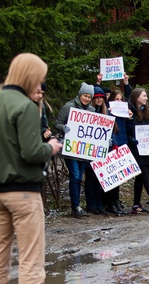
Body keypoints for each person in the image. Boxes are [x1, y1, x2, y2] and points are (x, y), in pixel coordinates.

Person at [0, 53, 69, 284]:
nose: (40, 82)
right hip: (24, 193)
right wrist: (52, 147)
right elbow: (32, 152)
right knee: (31, 261)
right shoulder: (27, 107)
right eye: (39, 76)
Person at [55, 82, 94, 217]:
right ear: (80, 95)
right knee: (76, 176)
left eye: (89, 97)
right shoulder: (69, 106)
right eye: (85, 96)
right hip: (71, 149)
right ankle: (75, 206)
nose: (87, 99)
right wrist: (63, 128)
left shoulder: (92, 111)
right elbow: (57, 123)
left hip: (84, 150)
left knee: (78, 177)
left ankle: (76, 206)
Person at [128, 88, 149, 214]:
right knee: (145, 176)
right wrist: (132, 139)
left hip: (146, 150)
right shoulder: (130, 112)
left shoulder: (147, 112)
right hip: (136, 150)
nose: (146, 98)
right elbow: (127, 130)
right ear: (137, 97)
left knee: (140, 178)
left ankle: (136, 204)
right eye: (144, 96)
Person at [103, 90, 130, 215]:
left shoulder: (124, 113)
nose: (119, 102)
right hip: (113, 145)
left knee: (119, 177)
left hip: (122, 144)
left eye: (120, 99)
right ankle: (110, 202)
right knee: (112, 176)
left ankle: (116, 201)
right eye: (116, 99)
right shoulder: (108, 112)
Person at [84, 86, 109, 215]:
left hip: (101, 150)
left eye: (101, 98)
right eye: (97, 97)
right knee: (90, 179)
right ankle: (91, 204)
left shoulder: (105, 112)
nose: (99, 100)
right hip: (89, 150)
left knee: (99, 179)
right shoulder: (90, 111)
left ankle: (99, 204)